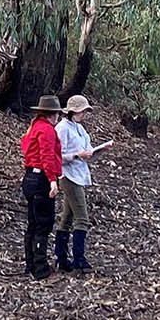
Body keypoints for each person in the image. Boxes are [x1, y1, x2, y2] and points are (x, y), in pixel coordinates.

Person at [54, 95, 102, 272]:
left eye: (86, 110)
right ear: (73, 111)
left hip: (80, 175)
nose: (85, 114)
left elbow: (87, 152)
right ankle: (79, 259)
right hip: (69, 176)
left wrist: (96, 152)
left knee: (67, 217)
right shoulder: (62, 128)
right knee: (82, 218)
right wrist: (76, 155)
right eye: (82, 110)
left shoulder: (80, 129)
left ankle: (61, 257)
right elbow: (57, 156)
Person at [19, 95, 64, 281]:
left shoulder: (34, 128)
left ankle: (30, 265)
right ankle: (41, 269)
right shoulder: (46, 130)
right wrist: (52, 180)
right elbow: (47, 156)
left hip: (30, 177)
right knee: (43, 224)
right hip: (41, 180)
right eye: (57, 114)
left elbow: (26, 150)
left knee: (33, 223)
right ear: (52, 114)